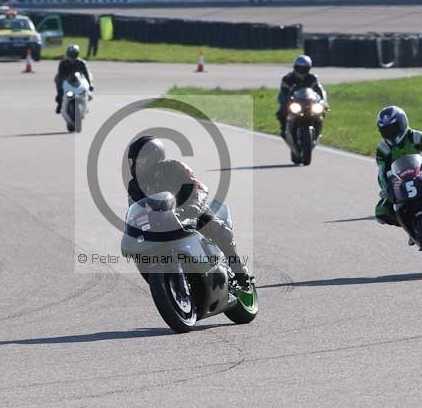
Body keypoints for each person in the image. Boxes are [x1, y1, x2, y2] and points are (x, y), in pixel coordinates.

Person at [126, 136, 253, 289]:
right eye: (134, 161)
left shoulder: (173, 167)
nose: (136, 165)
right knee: (144, 253)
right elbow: (135, 209)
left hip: (190, 210)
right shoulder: (134, 185)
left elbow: (197, 187)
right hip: (162, 221)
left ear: (155, 156)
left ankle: (239, 271)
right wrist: (135, 229)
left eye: (141, 160)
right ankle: (167, 283)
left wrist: (192, 206)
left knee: (219, 230)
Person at [276, 55, 327, 138]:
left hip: (308, 103)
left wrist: (322, 102)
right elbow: (283, 93)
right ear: (295, 67)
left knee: (321, 112)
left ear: (309, 68)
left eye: (304, 68)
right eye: (299, 68)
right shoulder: (287, 78)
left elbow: (318, 91)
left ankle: (317, 130)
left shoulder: (312, 78)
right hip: (294, 102)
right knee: (282, 111)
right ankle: (284, 129)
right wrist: (286, 102)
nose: (301, 71)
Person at [54, 44, 93, 114]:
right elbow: (60, 74)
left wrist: (90, 84)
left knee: (88, 81)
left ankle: (86, 101)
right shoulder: (63, 63)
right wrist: (60, 84)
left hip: (78, 79)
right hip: (67, 79)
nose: (72, 58)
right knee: (57, 79)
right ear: (67, 54)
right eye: (70, 55)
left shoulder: (81, 63)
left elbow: (86, 74)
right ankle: (60, 102)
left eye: (74, 55)